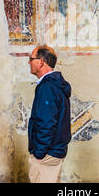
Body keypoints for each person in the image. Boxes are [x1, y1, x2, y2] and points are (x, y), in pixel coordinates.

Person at [27, 45, 71, 183]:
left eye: (31, 59)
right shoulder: (56, 85)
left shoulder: (47, 87)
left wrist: (39, 153)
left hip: (47, 154)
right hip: (56, 151)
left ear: (41, 62)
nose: (29, 62)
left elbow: (46, 122)